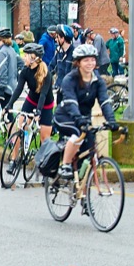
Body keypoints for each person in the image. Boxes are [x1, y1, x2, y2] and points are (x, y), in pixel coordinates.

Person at [53, 44, 118, 178]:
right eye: (86, 60)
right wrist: (79, 119)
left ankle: (82, 195)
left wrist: (111, 120)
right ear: (78, 62)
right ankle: (65, 165)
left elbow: (104, 101)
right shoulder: (69, 79)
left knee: (88, 154)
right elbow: (71, 103)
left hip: (84, 118)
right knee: (77, 134)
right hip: (65, 116)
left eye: (93, 60)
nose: (90, 63)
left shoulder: (97, 80)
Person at [6, 43, 54, 144]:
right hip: (31, 101)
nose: (23, 58)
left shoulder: (46, 74)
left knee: (44, 139)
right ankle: (14, 159)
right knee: (20, 129)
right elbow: (18, 89)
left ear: (33, 58)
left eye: (26, 55)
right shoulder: (25, 71)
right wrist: (9, 104)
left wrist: (39, 111)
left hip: (45, 105)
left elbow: (43, 94)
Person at [0, 28, 19, 110]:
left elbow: (2, 70)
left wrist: (1, 87)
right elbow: (21, 63)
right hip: (12, 86)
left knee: (7, 116)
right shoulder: (11, 50)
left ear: (0, 38)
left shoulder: (3, 52)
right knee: (8, 113)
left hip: (5, 88)